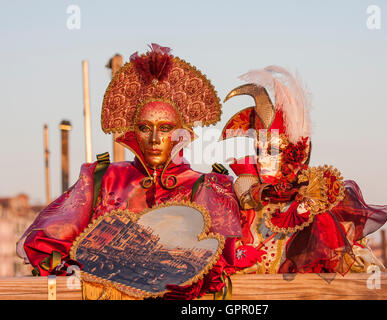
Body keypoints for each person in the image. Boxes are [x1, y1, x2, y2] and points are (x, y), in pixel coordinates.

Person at [16, 43, 242, 299]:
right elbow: (49, 243)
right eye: (146, 128)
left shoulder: (208, 186)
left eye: (166, 128)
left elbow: (228, 257)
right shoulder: (101, 179)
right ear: (134, 133)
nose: (156, 138)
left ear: (181, 133)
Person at [221, 66, 387, 275]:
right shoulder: (243, 207)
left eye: (273, 150)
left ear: (295, 153)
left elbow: (357, 273)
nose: (262, 159)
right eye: (258, 150)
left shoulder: (319, 208)